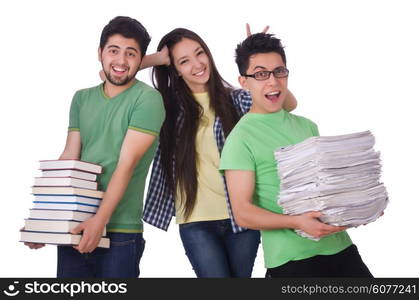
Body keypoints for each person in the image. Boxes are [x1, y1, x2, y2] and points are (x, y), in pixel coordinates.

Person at [142, 27, 297, 278]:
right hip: (196, 220)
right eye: (184, 61)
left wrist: (255, 59)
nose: (196, 64)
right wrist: (156, 60)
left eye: (199, 53)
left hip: (241, 217)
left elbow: (287, 105)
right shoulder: (164, 107)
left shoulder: (236, 100)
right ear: (175, 70)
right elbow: (114, 74)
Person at [219, 32, 373, 277]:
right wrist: (298, 222)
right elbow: (243, 213)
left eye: (279, 71)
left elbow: (324, 188)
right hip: (291, 259)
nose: (273, 81)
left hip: (340, 247)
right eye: (260, 74)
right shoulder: (239, 139)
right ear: (244, 81)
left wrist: (361, 204)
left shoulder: (307, 126)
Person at [24, 16, 166, 278]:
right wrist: (44, 223)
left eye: (131, 53)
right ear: (100, 53)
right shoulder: (81, 98)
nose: (121, 61)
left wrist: (99, 220)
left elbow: (126, 164)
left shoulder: (148, 100)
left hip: (119, 230)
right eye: (113, 51)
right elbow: (69, 159)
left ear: (140, 59)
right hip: (75, 225)